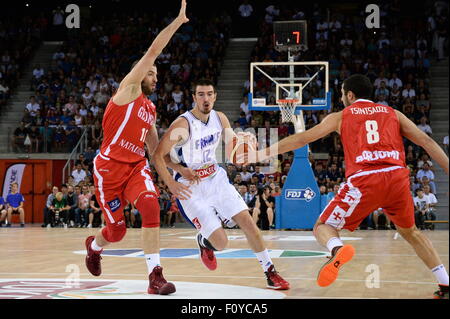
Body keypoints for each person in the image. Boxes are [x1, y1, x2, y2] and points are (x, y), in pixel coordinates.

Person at [253, 74, 449, 298]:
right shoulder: (393, 114)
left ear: (350, 95)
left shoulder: (341, 116)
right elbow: (427, 142)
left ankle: (336, 249)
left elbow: (302, 139)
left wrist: (263, 152)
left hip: (366, 179)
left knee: (322, 227)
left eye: (342, 94)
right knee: (411, 232)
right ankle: (445, 282)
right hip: (397, 178)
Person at [84, 0, 189, 296]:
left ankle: (155, 276)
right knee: (116, 232)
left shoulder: (151, 110)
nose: (156, 77)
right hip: (108, 168)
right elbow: (153, 51)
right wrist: (178, 22)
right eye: (152, 73)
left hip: (135, 168)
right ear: (139, 74)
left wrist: (174, 172)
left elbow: (156, 153)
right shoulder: (128, 89)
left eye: (156, 74)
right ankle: (93, 247)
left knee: (150, 206)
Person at [153, 78, 289, 290]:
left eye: (209, 94)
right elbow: (158, 156)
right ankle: (204, 241)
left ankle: (270, 271)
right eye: (201, 94)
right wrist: (175, 176)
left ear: (215, 96)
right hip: (191, 186)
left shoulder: (220, 118)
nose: (205, 99)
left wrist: (245, 141)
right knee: (222, 243)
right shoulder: (182, 124)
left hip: (216, 178)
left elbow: (233, 149)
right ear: (194, 98)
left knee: (248, 223)